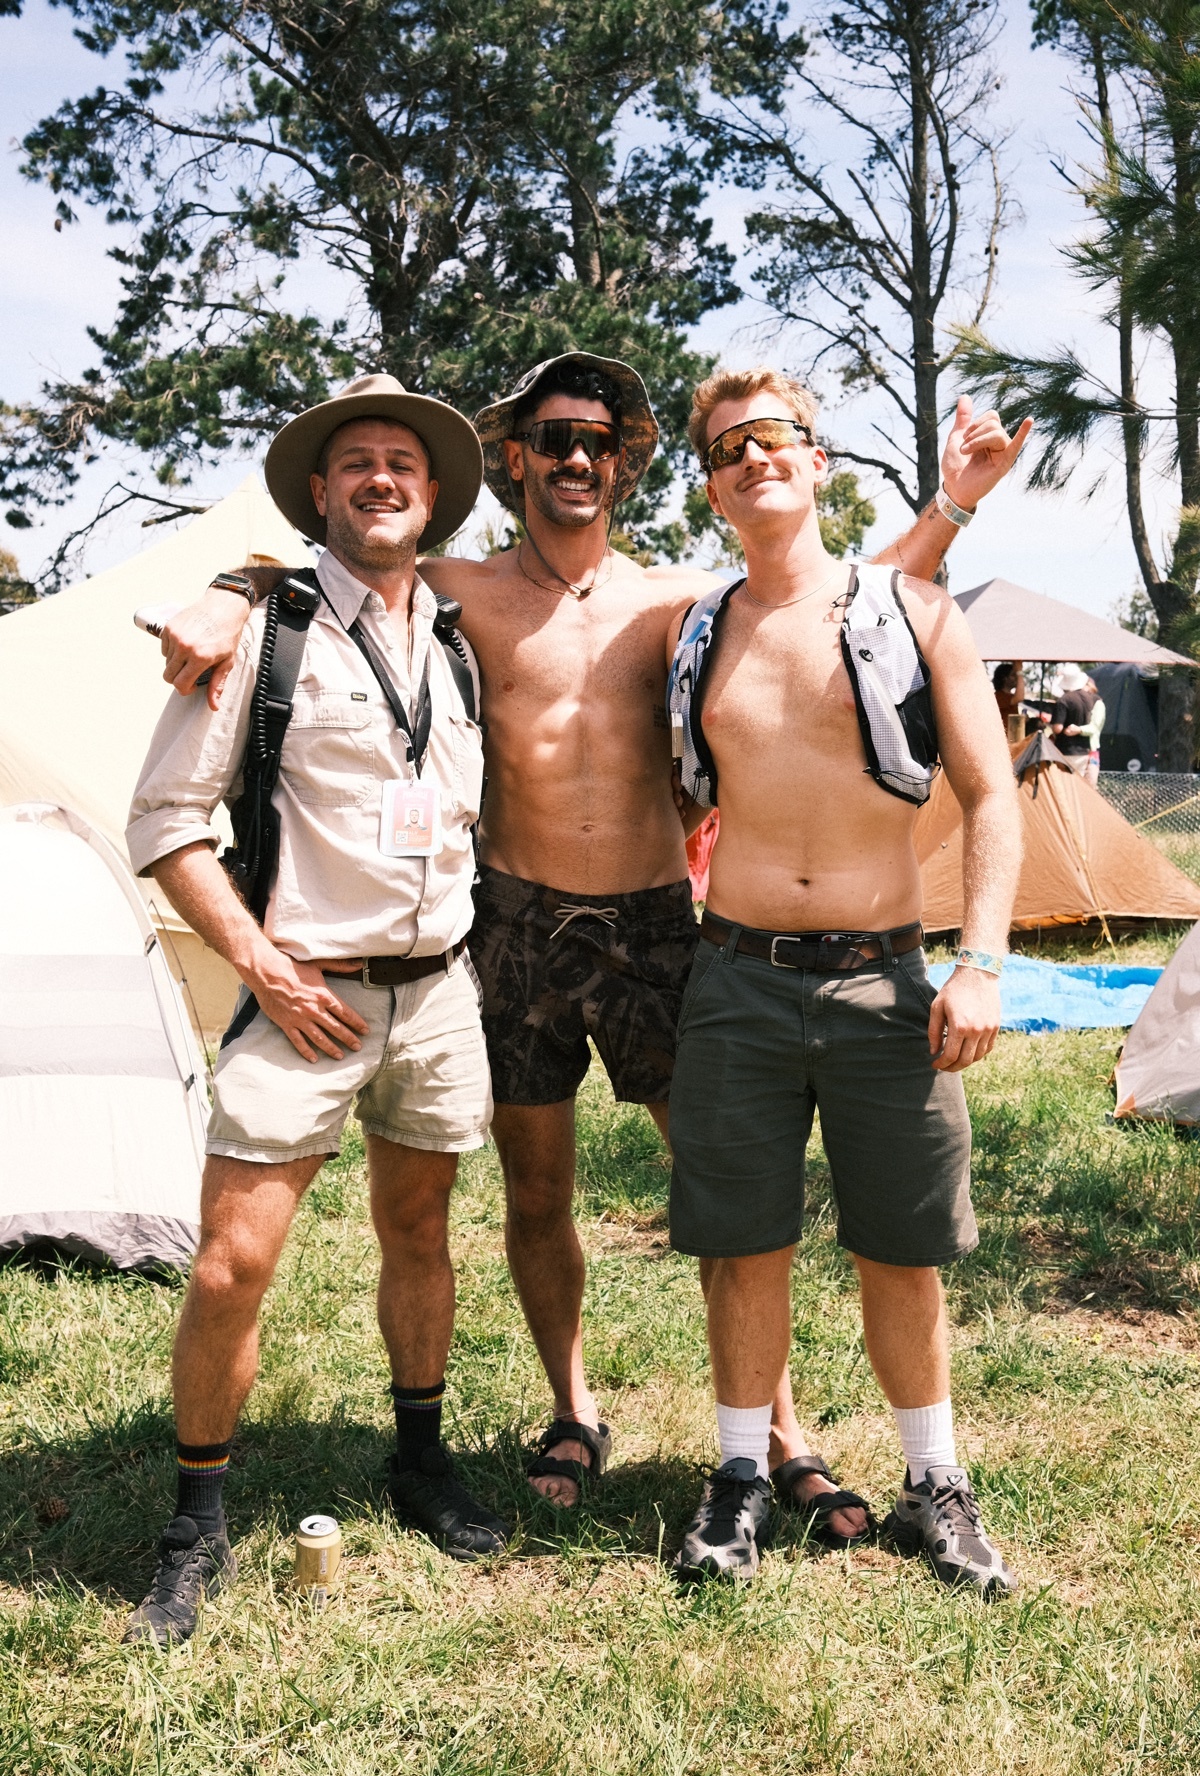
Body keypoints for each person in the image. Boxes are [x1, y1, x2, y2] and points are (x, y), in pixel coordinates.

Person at [154, 354, 1031, 1526]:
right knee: (536, 1190)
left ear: (625, 465)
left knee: (725, 1192)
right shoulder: (457, 588)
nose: (576, 457)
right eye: (554, 438)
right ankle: (574, 1409)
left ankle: (780, 1437)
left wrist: (953, 507)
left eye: (599, 441)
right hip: (513, 924)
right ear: (514, 457)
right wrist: (233, 586)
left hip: (656, 923)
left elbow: (841, 598)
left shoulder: (679, 601)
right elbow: (337, 565)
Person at [122, 374, 505, 1647]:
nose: (381, 477)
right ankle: (195, 1522)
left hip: (437, 995)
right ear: (321, 493)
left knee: (420, 1231)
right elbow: (165, 824)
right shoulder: (259, 633)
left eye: (404, 461)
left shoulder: (457, 641)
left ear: (433, 494)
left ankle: (420, 1458)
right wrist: (266, 969)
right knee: (231, 1263)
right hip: (305, 996)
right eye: (356, 462)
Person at [665, 367, 1023, 1594]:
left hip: (888, 981)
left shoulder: (915, 610)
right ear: (712, 488)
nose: (755, 457)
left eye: (777, 437)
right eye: (730, 449)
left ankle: (935, 1484)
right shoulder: (696, 630)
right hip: (736, 979)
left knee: (901, 1249)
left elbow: (992, 796)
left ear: (819, 462)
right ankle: (738, 1478)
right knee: (742, 1246)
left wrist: (981, 964)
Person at [1050, 664, 1096, 770]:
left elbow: (1057, 728)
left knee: (1064, 779)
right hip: (1084, 751)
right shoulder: (1090, 698)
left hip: (1066, 750)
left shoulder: (1063, 700)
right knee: (1079, 778)